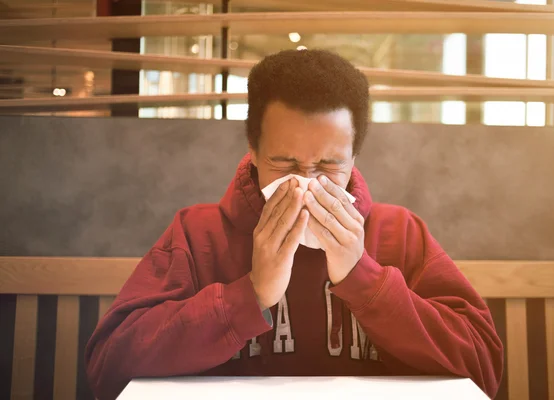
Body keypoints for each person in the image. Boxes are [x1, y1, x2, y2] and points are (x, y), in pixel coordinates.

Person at [85, 49, 503, 400]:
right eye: (284, 164)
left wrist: (364, 279)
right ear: (252, 152)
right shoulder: (199, 234)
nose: (306, 182)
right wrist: (250, 295)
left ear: (354, 158)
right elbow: (108, 369)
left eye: (328, 166)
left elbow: (483, 367)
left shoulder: (400, 232)